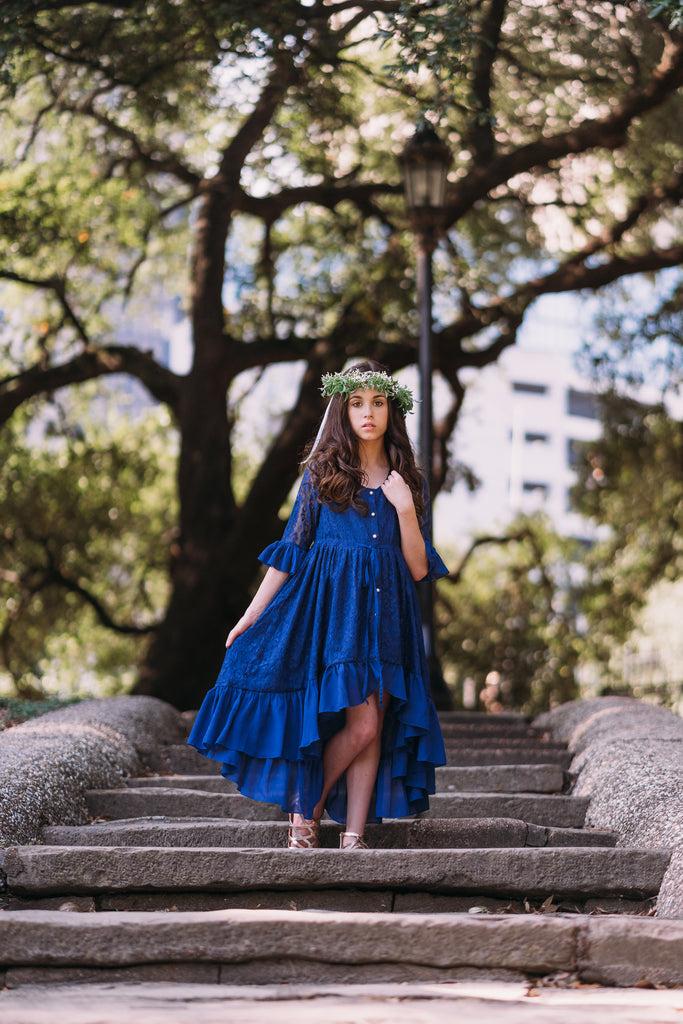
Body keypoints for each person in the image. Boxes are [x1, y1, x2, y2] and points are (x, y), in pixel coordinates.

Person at [188, 360, 447, 850]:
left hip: (389, 615)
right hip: (336, 618)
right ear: (342, 410)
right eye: (356, 403)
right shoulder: (323, 474)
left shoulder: (407, 480)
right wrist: (252, 614)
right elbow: (291, 549)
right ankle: (304, 813)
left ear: (392, 408)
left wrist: (406, 508)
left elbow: (417, 568)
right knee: (364, 720)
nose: (368, 412)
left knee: (375, 722)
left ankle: (353, 834)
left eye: (377, 402)